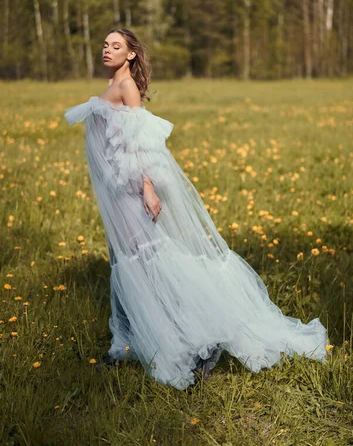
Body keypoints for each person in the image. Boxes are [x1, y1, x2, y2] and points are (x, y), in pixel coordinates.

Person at [64, 27, 329, 390]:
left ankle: (197, 339)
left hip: (130, 192)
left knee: (147, 264)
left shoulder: (126, 87)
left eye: (116, 46)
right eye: (105, 45)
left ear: (131, 55)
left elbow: (142, 144)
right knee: (126, 263)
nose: (106, 50)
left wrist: (148, 189)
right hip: (115, 195)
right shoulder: (113, 84)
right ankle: (125, 340)